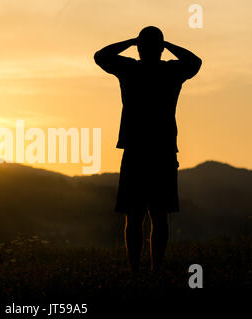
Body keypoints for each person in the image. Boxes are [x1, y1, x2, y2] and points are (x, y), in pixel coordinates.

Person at [94, 26, 202, 272]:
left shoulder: (131, 69)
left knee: (135, 215)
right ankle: (155, 270)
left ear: (140, 48)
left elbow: (101, 56)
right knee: (158, 215)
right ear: (160, 48)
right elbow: (194, 62)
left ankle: (136, 270)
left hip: (137, 150)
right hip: (161, 151)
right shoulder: (171, 71)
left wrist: (131, 41)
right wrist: (167, 45)